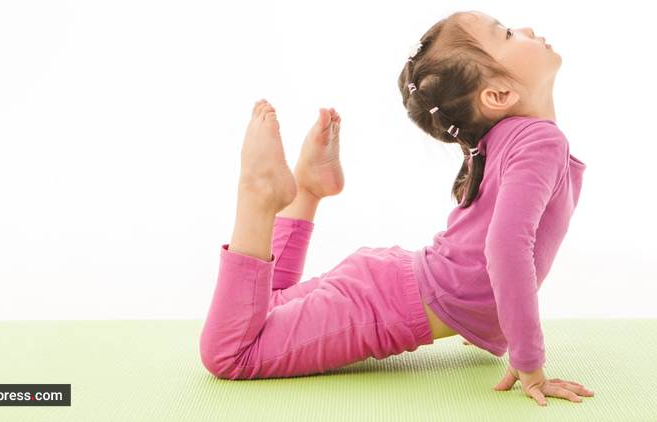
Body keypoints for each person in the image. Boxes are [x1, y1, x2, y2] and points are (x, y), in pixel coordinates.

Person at [199, 10, 595, 407]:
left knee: (260, 310)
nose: (526, 29)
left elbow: (489, 249)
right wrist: (529, 363)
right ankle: (259, 195)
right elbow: (506, 248)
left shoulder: (511, 136)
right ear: (497, 95)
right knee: (231, 353)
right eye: (507, 34)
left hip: (388, 284)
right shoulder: (540, 142)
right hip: (383, 304)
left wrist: (487, 326)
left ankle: (307, 190)